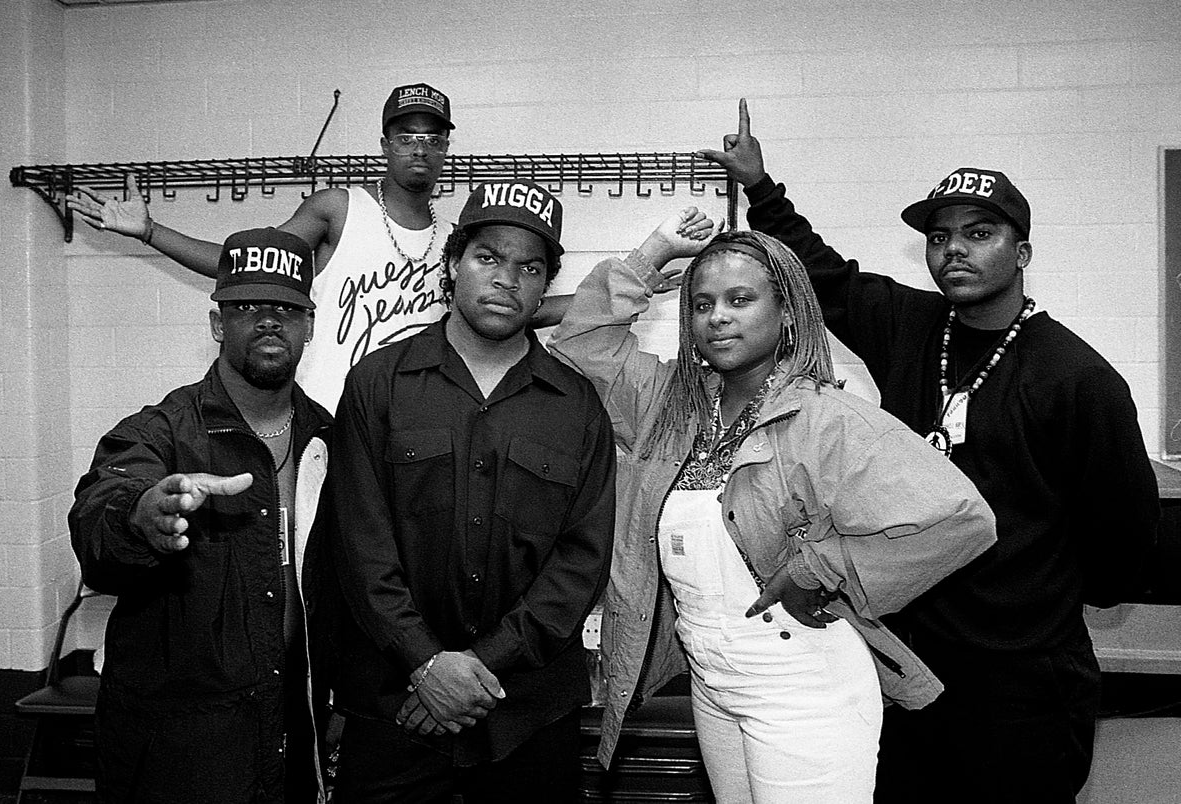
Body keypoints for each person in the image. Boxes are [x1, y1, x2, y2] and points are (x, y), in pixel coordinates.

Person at [698, 100, 1162, 803]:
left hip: (1022, 680)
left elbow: (1122, 546)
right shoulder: (913, 325)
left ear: (1022, 252)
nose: (956, 250)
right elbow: (820, 274)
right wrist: (762, 188)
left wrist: (1032, 595)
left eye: (979, 234)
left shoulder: (1078, 378)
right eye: (941, 237)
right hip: (909, 662)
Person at [548, 209, 998, 803]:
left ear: (786, 312)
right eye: (703, 304)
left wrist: (819, 566)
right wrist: (652, 253)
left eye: (740, 299)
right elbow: (582, 341)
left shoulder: (825, 416)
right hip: (713, 685)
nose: (718, 318)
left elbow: (961, 518)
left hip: (806, 686)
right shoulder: (669, 405)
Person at [316, 180, 617, 802]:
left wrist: (481, 669)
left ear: (544, 287)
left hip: (525, 714)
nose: (507, 279)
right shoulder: (379, 383)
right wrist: (425, 663)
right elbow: (359, 542)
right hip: (396, 709)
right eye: (488, 258)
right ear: (453, 265)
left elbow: (580, 562)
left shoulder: (578, 405)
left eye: (529, 267)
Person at [69, 228, 334, 803]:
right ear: (218, 324)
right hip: (180, 747)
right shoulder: (161, 430)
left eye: (287, 308)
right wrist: (143, 516)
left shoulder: (329, 439)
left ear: (309, 327)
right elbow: (97, 516)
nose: (269, 320)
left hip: (293, 726)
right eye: (247, 307)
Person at [66, 83, 459, 410]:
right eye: (406, 138)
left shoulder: (455, 241)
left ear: (445, 149)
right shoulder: (339, 209)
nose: (419, 149)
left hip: (414, 423)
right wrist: (150, 231)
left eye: (432, 139)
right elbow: (241, 265)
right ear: (385, 145)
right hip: (333, 413)